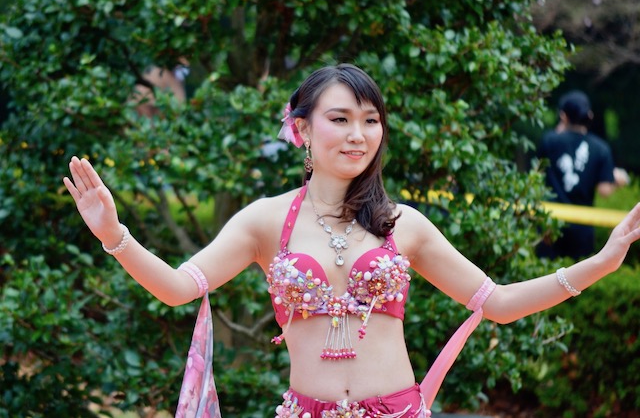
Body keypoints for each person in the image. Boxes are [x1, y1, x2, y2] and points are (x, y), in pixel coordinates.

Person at [63, 64, 640, 418]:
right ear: (301, 128)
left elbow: (500, 303)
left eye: (370, 120)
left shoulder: (404, 224)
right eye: (339, 119)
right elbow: (177, 288)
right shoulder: (264, 221)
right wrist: (115, 235)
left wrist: (603, 260)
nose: (357, 134)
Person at [537, 90, 630, 260]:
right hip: (582, 227)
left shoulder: (549, 141)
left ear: (563, 116)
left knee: (545, 272)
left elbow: (538, 173)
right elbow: (604, 190)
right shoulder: (601, 148)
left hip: (550, 222)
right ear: (589, 116)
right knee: (579, 273)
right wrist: (618, 179)